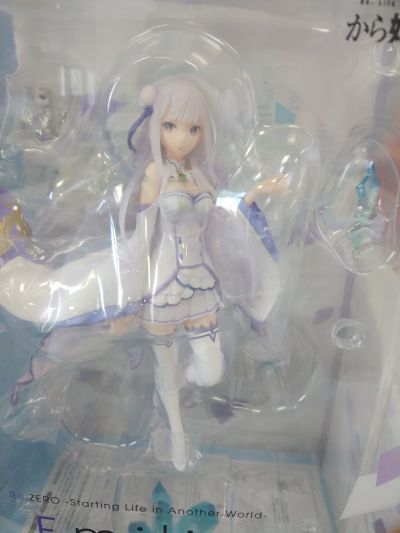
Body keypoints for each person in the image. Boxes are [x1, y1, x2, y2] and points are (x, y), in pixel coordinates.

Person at [0, 75, 286, 470]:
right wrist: (128, 295)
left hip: (201, 282)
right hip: (163, 285)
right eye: (171, 126)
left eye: (193, 128)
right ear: (156, 127)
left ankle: (179, 387)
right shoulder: (154, 176)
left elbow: (224, 215)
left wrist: (257, 193)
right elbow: (144, 234)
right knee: (164, 370)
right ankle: (176, 437)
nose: (182, 138)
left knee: (210, 370)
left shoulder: (202, 175)